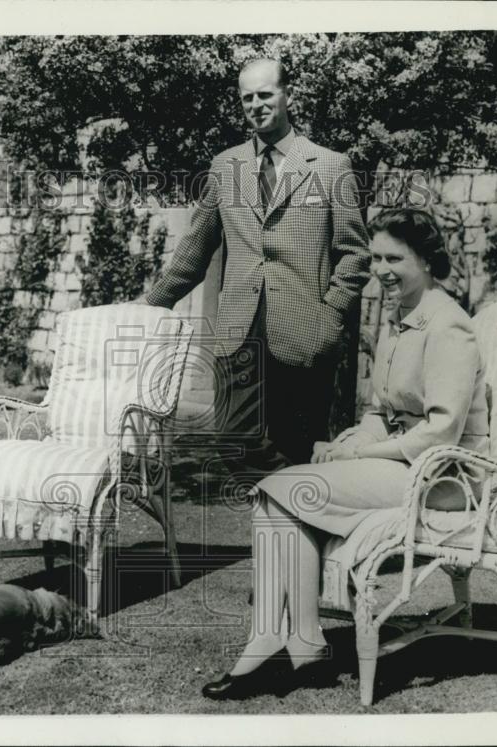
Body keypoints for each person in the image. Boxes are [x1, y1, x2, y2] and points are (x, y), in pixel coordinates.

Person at [201, 208, 490, 700]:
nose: (381, 270)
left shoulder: (448, 326)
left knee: (289, 488)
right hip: (403, 462)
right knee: (277, 491)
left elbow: (440, 433)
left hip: (444, 477)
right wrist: (346, 445)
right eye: (375, 258)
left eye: (394, 259)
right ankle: (293, 640)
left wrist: (362, 454)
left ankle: (289, 640)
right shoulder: (399, 317)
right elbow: (382, 410)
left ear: (426, 260)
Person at [145, 58, 371, 476]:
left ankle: (281, 515)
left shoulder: (330, 165)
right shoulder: (225, 166)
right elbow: (195, 248)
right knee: (234, 442)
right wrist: (151, 305)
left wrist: (331, 313)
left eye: (265, 94)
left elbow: (354, 253)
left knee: (298, 448)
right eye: (247, 98)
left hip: (305, 331)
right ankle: (276, 498)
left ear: (288, 96)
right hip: (239, 329)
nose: (256, 105)